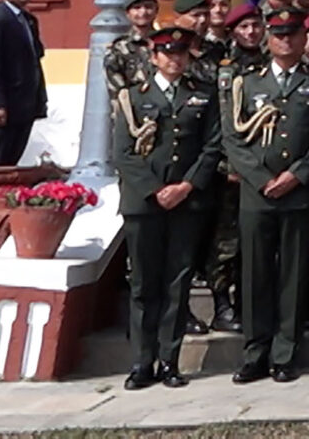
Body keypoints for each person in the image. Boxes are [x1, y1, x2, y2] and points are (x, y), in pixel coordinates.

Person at [221, 8, 309, 383]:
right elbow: (231, 136)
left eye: (292, 34)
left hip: (299, 193)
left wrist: (297, 175)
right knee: (255, 274)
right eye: (278, 34)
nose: (285, 40)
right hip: (258, 194)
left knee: (293, 274)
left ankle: (286, 352)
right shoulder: (247, 81)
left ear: (304, 38)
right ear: (268, 39)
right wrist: (259, 178)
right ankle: (255, 351)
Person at [113, 26, 218, 390]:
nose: (175, 59)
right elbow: (123, 153)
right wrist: (156, 191)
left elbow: (211, 146)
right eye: (167, 53)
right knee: (144, 283)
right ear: (154, 57)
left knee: (178, 282)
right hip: (144, 204)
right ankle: (142, 361)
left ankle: (169, 361)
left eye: (181, 53)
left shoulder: (202, 96)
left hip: (187, 203)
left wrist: (186, 186)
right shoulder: (131, 97)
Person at [0, 0, 49, 166]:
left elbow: (34, 61)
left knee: (12, 159)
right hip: (5, 106)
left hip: (25, 105)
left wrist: (39, 100)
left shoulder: (28, 20)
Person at [105, 0, 161, 94]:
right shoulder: (119, 48)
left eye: (148, 7)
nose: (143, 12)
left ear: (156, 11)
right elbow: (117, 90)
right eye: (137, 8)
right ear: (128, 13)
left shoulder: (165, 43)